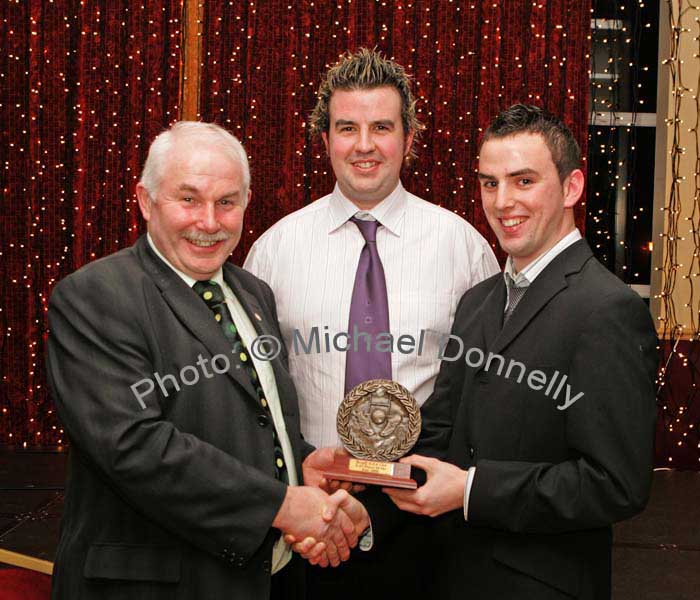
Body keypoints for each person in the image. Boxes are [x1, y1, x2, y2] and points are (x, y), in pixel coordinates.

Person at [340, 104, 657, 599]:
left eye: (523, 181)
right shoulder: (478, 301)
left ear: (572, 187)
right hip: (448, 574)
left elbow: (614, 484)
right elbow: (439, 432)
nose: (502, 201)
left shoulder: (608, 309)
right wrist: (367, 496)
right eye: (490, 183)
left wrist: (471, 491)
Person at [46, 121, 368, 600]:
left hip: (261, 578)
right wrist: (280, 504)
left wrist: (302, 463)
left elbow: (253, 419)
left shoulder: (253, 293)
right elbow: (134, 446)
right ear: (145, 200)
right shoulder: (94, 297)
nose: (210, 221)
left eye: (227, 201)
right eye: (189, 199)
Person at [244, 48, 499, 597]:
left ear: (409, 138)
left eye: (381, 126)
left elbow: (479, 393)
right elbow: (254, 395)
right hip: (308, 518)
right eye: (347, 128)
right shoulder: (272, 251)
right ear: (325, 140)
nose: (364, 145)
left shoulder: (466, 249)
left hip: (422, 518)